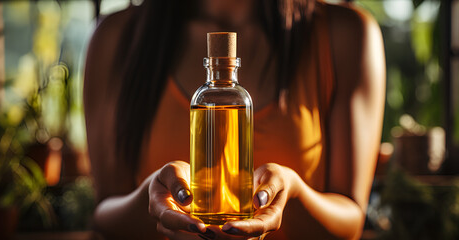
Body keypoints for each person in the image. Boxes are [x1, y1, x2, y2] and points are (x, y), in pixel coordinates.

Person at [83, 0, 385, 239]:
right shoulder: (117, 36)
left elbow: (352, 220)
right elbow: (104, 216)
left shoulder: (345, 33)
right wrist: (151, 197)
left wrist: (293, 195)